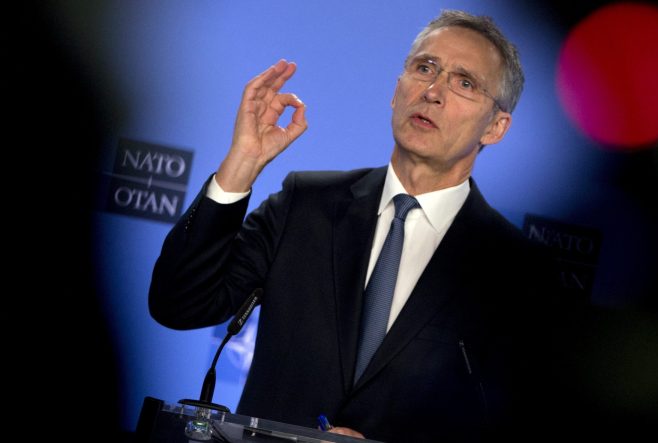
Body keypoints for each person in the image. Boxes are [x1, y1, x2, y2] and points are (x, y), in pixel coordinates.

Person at [150, 10, 560, 442]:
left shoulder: (515, 271)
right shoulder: (303, 205)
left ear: (495, 127)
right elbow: (180, 304)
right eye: (424, 68)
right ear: (396, 89)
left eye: (464, 83)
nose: (434, 91)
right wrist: (242, 164)